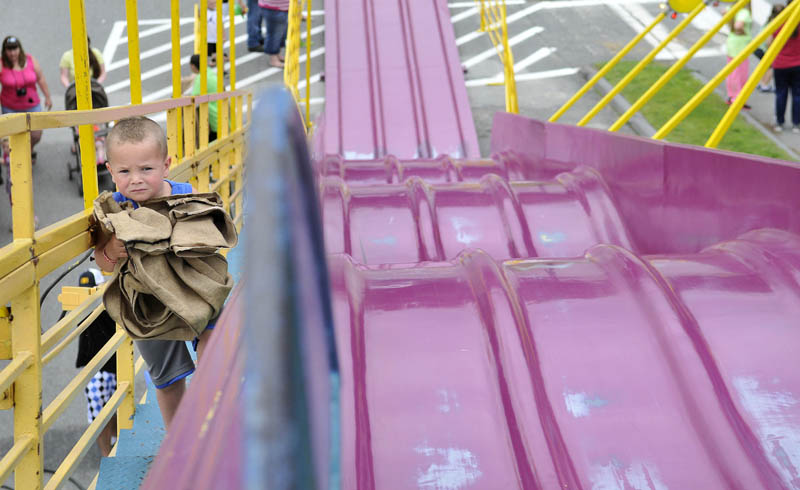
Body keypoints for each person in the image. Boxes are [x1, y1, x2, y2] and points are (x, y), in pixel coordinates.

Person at [93, 116, 214, 429]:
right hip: (147, 303)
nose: (136, 179)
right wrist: (111, 251)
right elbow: (102, 263)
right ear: (110, 171)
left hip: (191, 287)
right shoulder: (113, 210)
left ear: (166, 164)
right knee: (167, 378)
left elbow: (210, 244)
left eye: (146, 169)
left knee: (214, 342)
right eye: (124, 171)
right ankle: (179, 442)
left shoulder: (185, 194)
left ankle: (214, 418)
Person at [68, 269, 118, 457]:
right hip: (94, 371)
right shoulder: (86, 308)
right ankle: (107, 455)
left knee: (112, 410)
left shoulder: (106, 304)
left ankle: (112, 446)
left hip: (110, 366)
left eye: (91, 289)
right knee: (100, 415)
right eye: (84, 290)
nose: (87, 293)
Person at [0, 36, 53, 163]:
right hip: (10, 106)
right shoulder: (2, 64)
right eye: (9, 50)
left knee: (36, 134)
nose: (12, 53)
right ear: (5, 51)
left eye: (15, 49)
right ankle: (16, 158)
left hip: (31, 104)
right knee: (11, 136)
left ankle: (28, 150)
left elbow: (40, 78)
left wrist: (47, 97)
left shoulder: (30, 60)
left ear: (19, 49)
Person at [773, 0, 800, 133]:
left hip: (780, 64)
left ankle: (779, 122)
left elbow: (769, 43)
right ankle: (796, 124)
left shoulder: (780, 23)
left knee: (780, 93)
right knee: (797, 95)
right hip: (798, 64)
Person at [183, 54, 223, 142]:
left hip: (215, 118)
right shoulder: (209, 72)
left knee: (208, 144)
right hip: (222, 114)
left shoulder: (201, 78)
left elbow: (193, 99)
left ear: (193, 66)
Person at [725, 2, 753, 109]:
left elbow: (725, 13)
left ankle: (731, 96)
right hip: (740, 45)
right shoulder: (744, 12)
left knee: (731, 72)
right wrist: (743, 32)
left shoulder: (731, 7)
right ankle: (738, 98)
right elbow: (738, 25)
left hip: (732, 42)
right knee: (740, 73)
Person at [259, 0, 289, 68]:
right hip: (272, 7)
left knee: (282, 33)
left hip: (283, 6)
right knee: (274, 34)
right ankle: (273, 58)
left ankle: (277, 54)